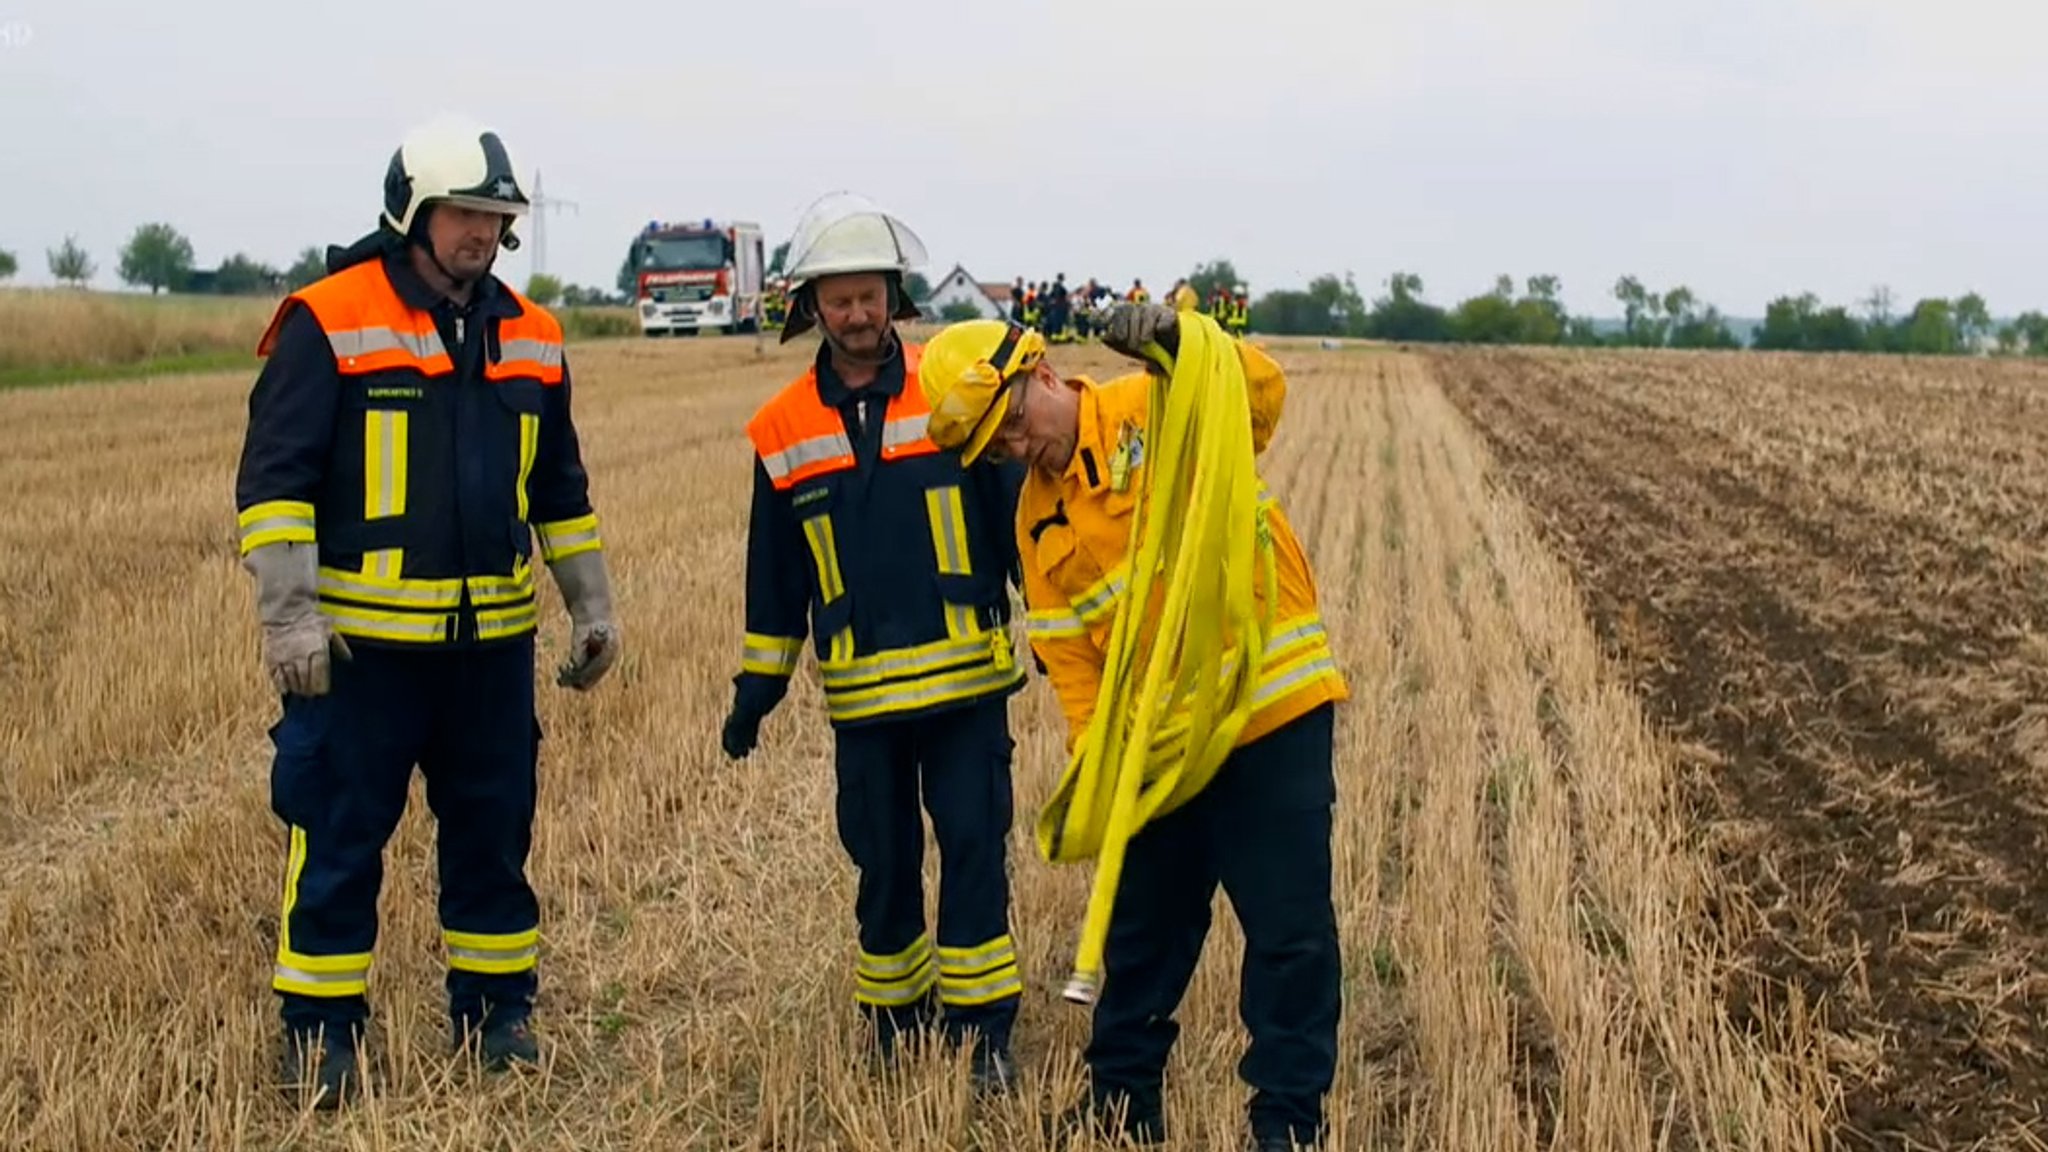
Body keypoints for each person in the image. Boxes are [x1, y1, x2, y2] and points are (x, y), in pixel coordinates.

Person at [233, 114, 620, 1108]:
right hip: (361, 658)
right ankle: (319, 1031)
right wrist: (288, 621)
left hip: (489, 653)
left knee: (494, 836)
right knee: (337, 836)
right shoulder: (329, 318)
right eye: (462, 215)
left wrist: (590, 609)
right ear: (411, 213)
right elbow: (275, 483)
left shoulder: (532, 336)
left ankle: (496, 1012)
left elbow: (561, 491)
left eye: (494, 217)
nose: (480, 234)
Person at [914, 304, 1349, 1150]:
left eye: (1013, 424)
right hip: (1160, 757)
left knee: (1290, 938)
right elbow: (1069, 657)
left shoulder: (1159, 401)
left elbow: (1260, 398)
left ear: (1040, 375)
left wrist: (1184, 340)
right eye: (994, 448)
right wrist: (1100, 767)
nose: (1015, 448)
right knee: (1142, 938)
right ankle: (1122, 1109)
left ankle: (1285, 1125)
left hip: (1270, 716)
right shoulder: (1036, 523)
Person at [720, 192, 1028, 1091]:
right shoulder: (781, 429)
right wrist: (758, 688)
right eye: (839, 299)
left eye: (870, 297)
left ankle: (984, 1034)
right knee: (881, 857)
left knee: (974, 847)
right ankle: (896, 1019)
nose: (857, 315)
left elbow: (1012, 524)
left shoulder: (953, 389)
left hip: (968, 684)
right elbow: (773, 573)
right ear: (811, 307)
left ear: (897, 299)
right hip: (861, 698)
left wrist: (1048, 624)